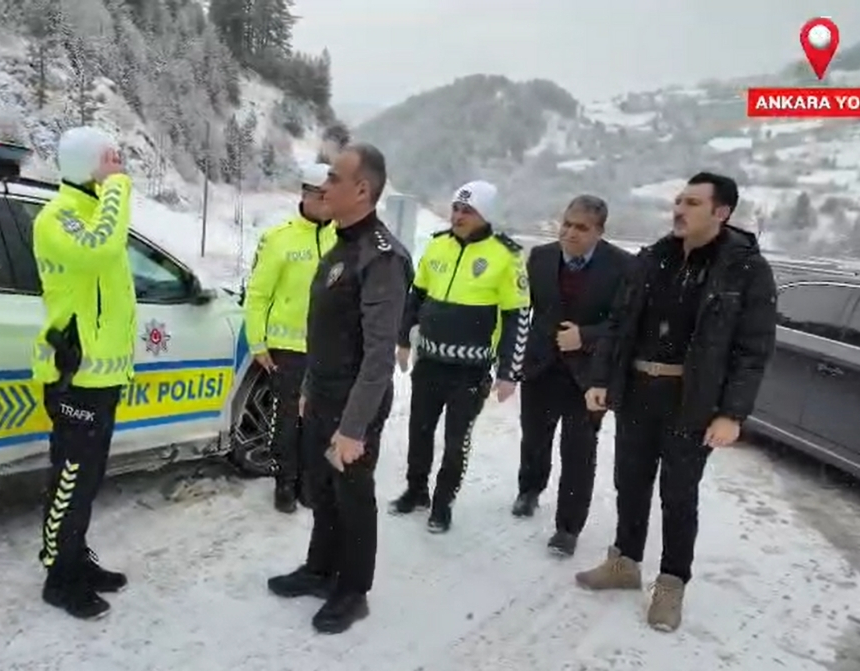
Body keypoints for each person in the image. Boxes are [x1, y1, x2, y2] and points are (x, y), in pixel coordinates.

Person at [576, 172, 777, 633]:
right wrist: (601, 378)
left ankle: (671, 584)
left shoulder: (744, 269)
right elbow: (620, 324)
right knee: (630, 482)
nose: (679, 209)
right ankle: (624, 562)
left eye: (692, 202)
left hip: (692, 400)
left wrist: (732, 414)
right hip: (638, 390)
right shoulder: (655, 258)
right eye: (678, 200)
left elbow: (753, 349)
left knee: (678, 495)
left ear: (721, 212)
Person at [266, 143, 412, 634]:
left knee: (352, 496)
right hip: (324, 393)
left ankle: (353, 590)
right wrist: (309, 385)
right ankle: (320, 569)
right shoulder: (341, 245)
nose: (323, 186)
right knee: (323, 491)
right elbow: (321, 329)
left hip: (356, 403)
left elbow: (378, 353)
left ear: (362, 189)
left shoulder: (382, 257)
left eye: (333, 178)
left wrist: (354, 427)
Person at [31, 126, 133, 621]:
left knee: (88, 478)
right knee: (70, 477)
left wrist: (109, 192)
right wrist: (116, 187)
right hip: (75, 374)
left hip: (103, 374)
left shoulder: (93, 211)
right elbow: (99, 250)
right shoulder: (60, 216)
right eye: (109, 161)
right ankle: (58, 574)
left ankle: (76, 557)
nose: (117, 168)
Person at [390, 181, 531, 533]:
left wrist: (509, 371)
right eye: (456, 208)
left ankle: (443, 502)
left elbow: (518, 316)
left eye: (467, 210)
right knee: (418, 431)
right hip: (430, 361)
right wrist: (403, 341)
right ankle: (416, 490)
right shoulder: (437, 246)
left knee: (457, 440)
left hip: (470, 370)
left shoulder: (506, 256)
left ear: (485, 215)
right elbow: (416, 296)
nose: (458, 216)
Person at [512, 195, 633, 557]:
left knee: (579, 451)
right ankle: (530, 489)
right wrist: (514, 359)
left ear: (600, 231)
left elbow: (624, 323)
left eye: (582, 227)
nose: (570, 232)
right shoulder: (541, 257)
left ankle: (568, 527)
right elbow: (522, 310)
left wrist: (586, 336)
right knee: (534, 436)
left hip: (589, 377)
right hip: (540, 367)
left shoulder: (623, 267)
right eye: (567, 223)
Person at [243, 162, 337, 513]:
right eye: (321, 194)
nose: (327, 202)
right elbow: (258, 294)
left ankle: (310, 482)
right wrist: (257, 341)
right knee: (286, 421)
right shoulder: (278, 238)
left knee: (320, 421)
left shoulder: (342, 237)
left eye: (332, 195)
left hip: (328, 349)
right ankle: (285, 482)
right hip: (288, 350)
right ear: (305, 194)